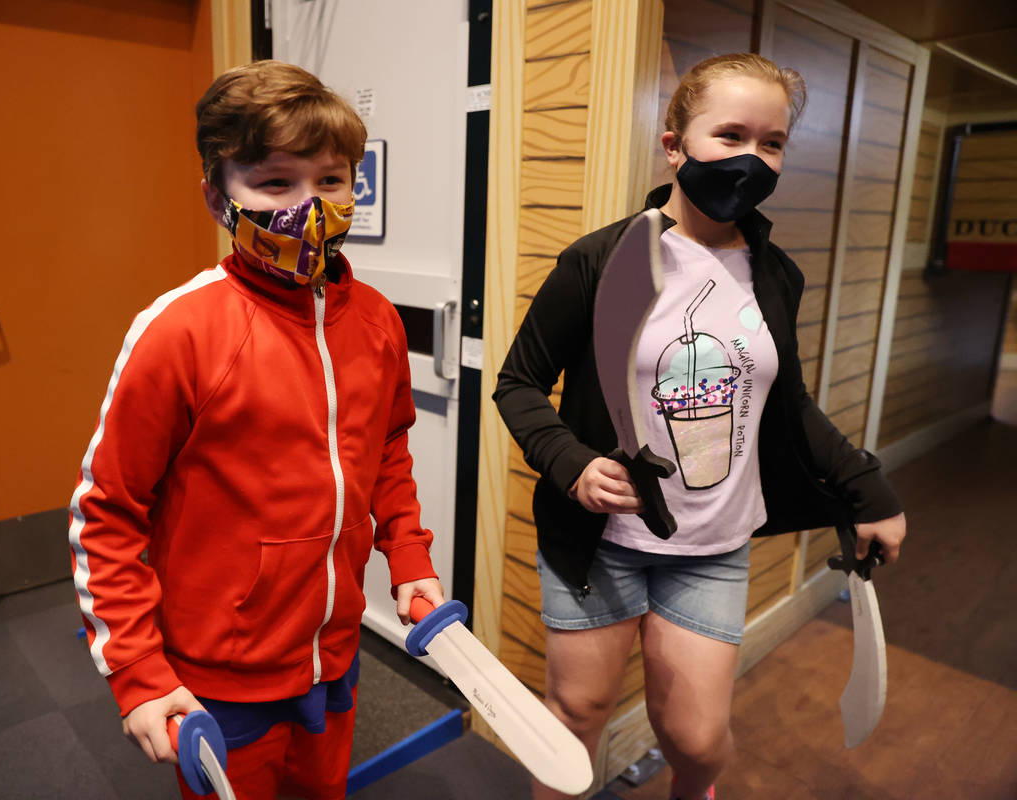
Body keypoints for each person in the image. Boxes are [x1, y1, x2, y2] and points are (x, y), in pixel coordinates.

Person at [493, 53, 906, 800]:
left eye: (772, 142)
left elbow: (789, 403)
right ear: (675, 143)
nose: (751, 158)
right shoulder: (598, 261)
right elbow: (518, 383)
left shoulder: (775, 274)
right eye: (730, 135)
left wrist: (868, 490)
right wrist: (571, 463)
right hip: (603, 543)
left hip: (711, 544)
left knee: (697, 738)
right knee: (578, 713)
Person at [69, 59, 444, 800]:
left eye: (330, 181)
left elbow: (387, 451)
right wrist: (139, 674)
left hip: (335, 654)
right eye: (275, 183)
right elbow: (104, 514)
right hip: (220, 674)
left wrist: (409, 558)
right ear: (218, 196)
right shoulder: (179, 331)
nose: (308, 207)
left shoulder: (375, 322)